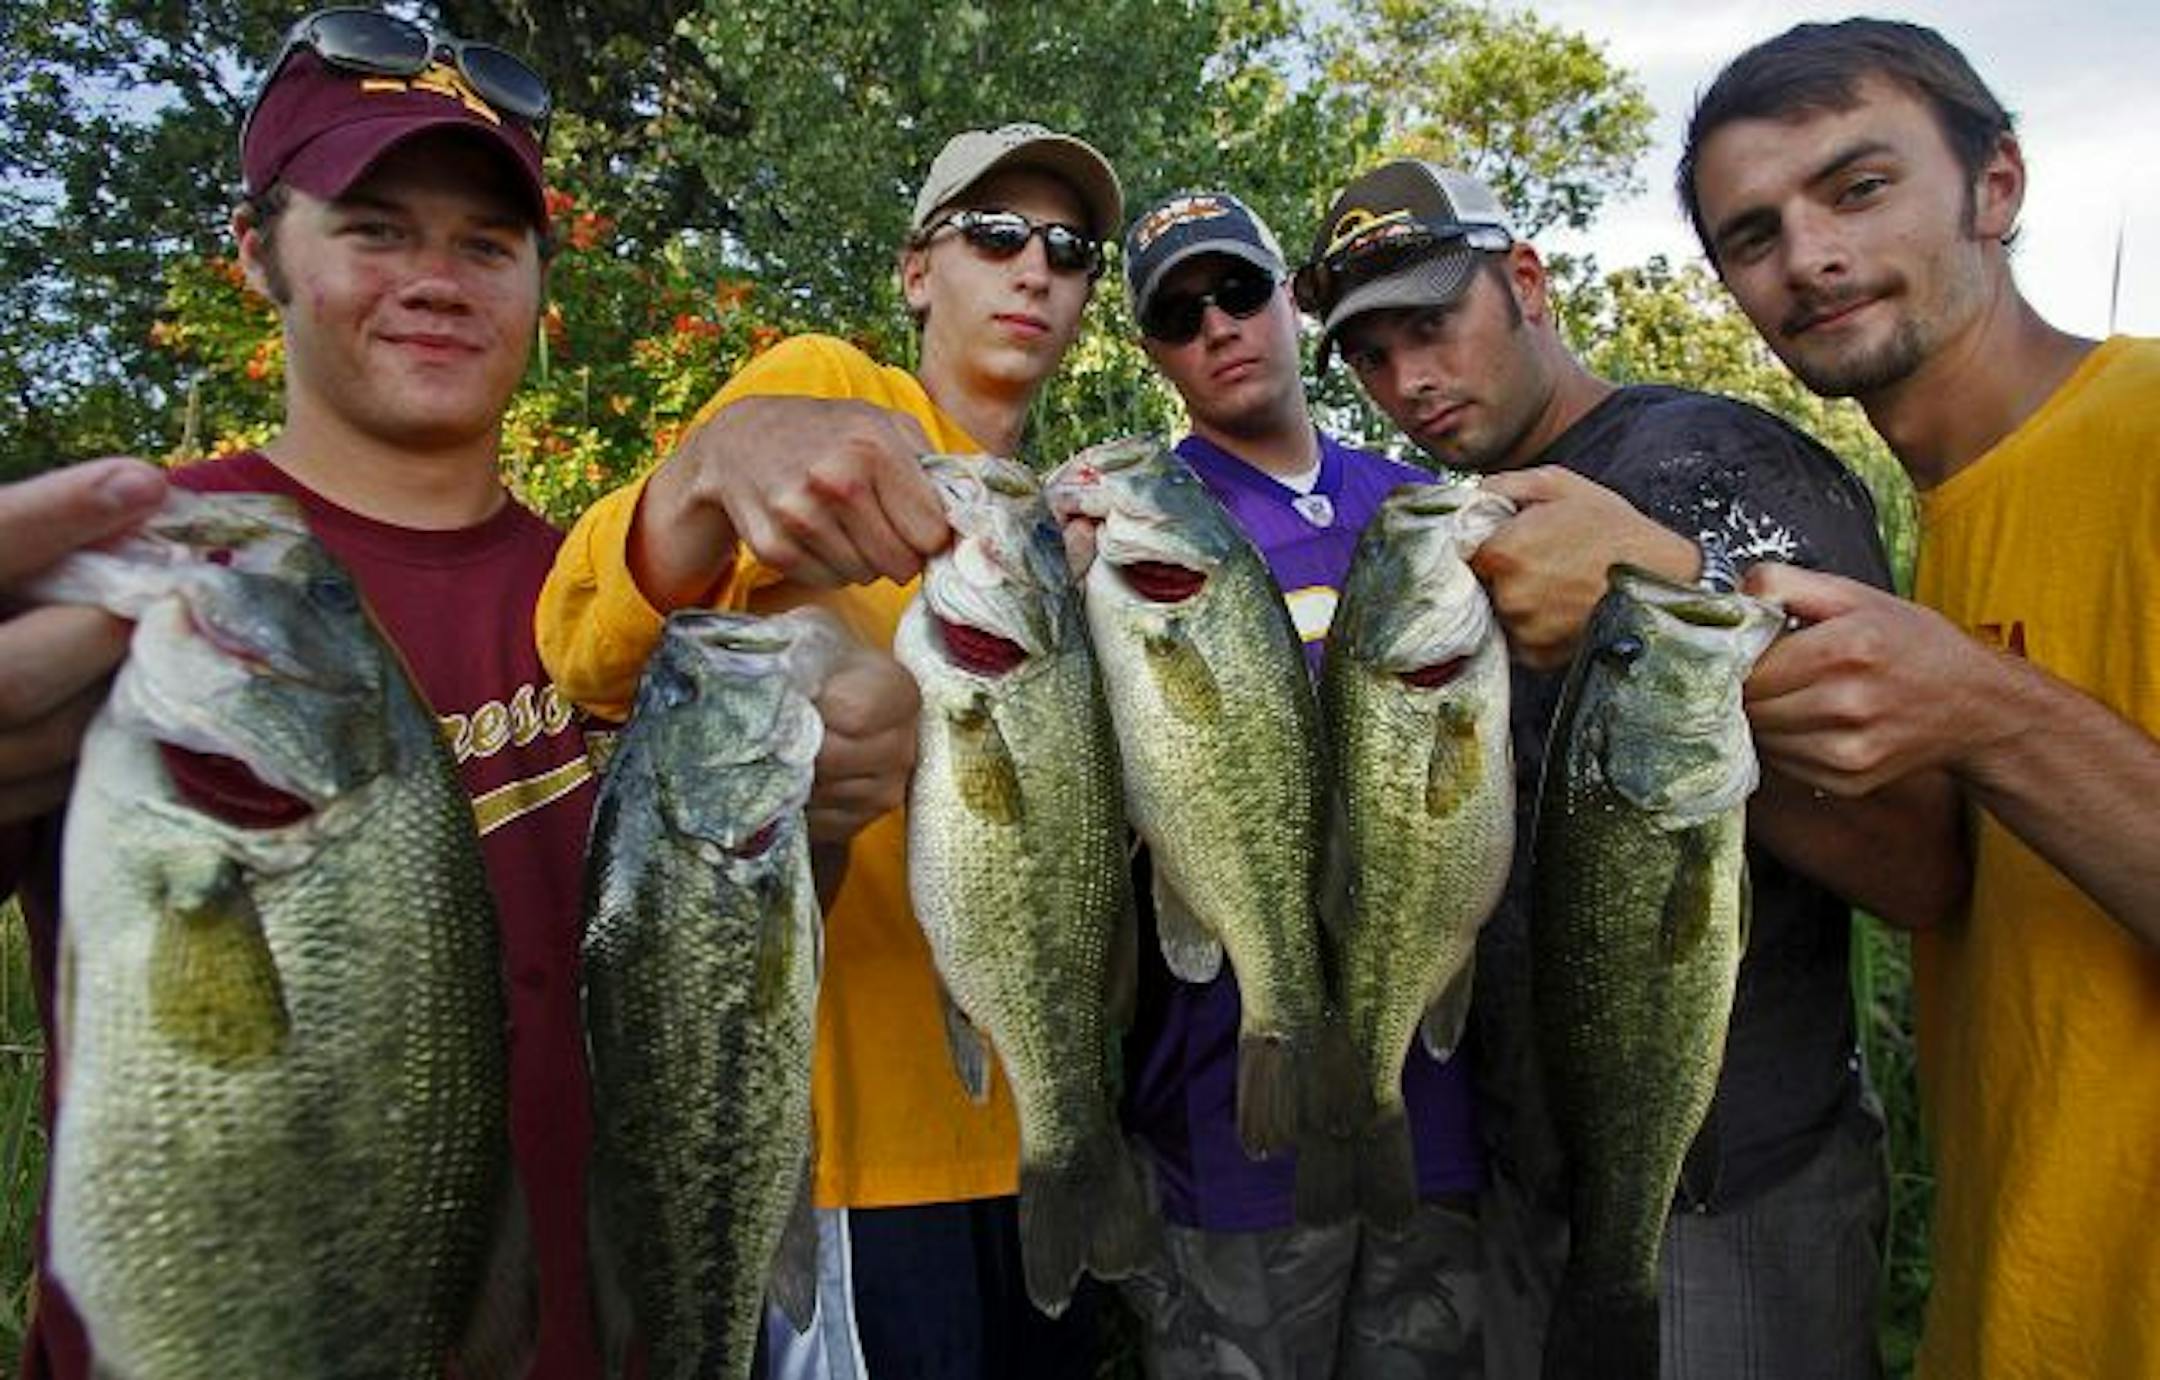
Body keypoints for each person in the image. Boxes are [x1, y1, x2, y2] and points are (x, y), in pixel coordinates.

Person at [0, 12, 916, 1376]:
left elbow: (709, 960)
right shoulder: (140, 578)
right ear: (257, 250)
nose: (438, 278)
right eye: (374, 228)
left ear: (542, 282)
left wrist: (822, 817)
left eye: (487, 243)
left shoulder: (606, 608)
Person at [1296, 157, 1964, 1379]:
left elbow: (1918, 858)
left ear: (1529, 283)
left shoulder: (1715, 462)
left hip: (1728, 1197)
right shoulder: (1466, 533)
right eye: (1372, 357)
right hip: (1534, 1183)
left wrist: (1672, 621)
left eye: (1433, 325)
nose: (1410, 383)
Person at [535, 122, 1123, 1377]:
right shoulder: (830, 393)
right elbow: (586, 647)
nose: (1035, 271)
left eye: (1069, 251)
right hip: (859, 1162)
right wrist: (703, 472)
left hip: (1039, 1133)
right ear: (919, 270)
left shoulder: (1067, 534)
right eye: (996, 234)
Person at [1680, 19, 2160, 1378]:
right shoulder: (1941, 526)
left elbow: (1990, 725)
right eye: (1753, 235)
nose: (1809, 258)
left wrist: (1988, 712)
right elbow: (1951, 891)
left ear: (1995, 185)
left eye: (1858, 187)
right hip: (2023, 1308)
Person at [1092, 189, 1483, 1376]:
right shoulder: (1132, 535)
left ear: (1290, 297)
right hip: (1230, 1131)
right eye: (1177, 312)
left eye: (1239, 289)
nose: (1218, 325)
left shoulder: (1421, 510)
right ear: (1154, 350)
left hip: (1440, 1124)